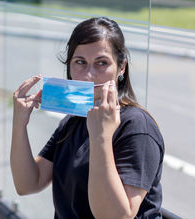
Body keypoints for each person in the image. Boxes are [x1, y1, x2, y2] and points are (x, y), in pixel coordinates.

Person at [11, 17, 165, 218]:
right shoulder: (74, 120)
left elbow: (116, 216)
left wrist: (101, 136)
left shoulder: (137, 126)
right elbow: (28, 183)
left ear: (121, 67)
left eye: (101, 63)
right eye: (80, 62)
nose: (88, 75)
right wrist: (19, 125)